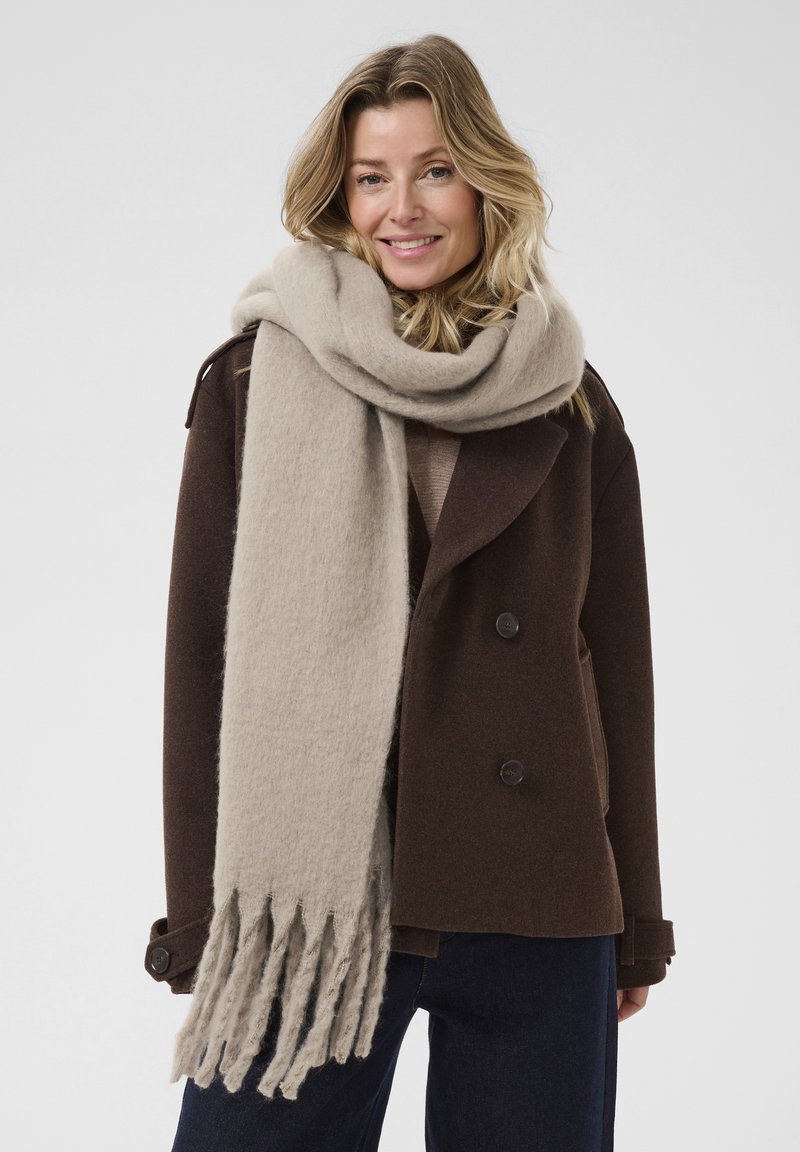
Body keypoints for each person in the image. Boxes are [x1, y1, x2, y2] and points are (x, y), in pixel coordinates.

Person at [144, 32, 676, 1152]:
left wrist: (635, 922)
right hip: (316, 908)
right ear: (339, 197)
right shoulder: (252, 379)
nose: (404, 208)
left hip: (534, 893)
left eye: (434, 170)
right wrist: (201, 918)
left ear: (484, 183)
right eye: (371, 176)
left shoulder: (570, 399)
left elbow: (615, 668)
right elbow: (200, 658)